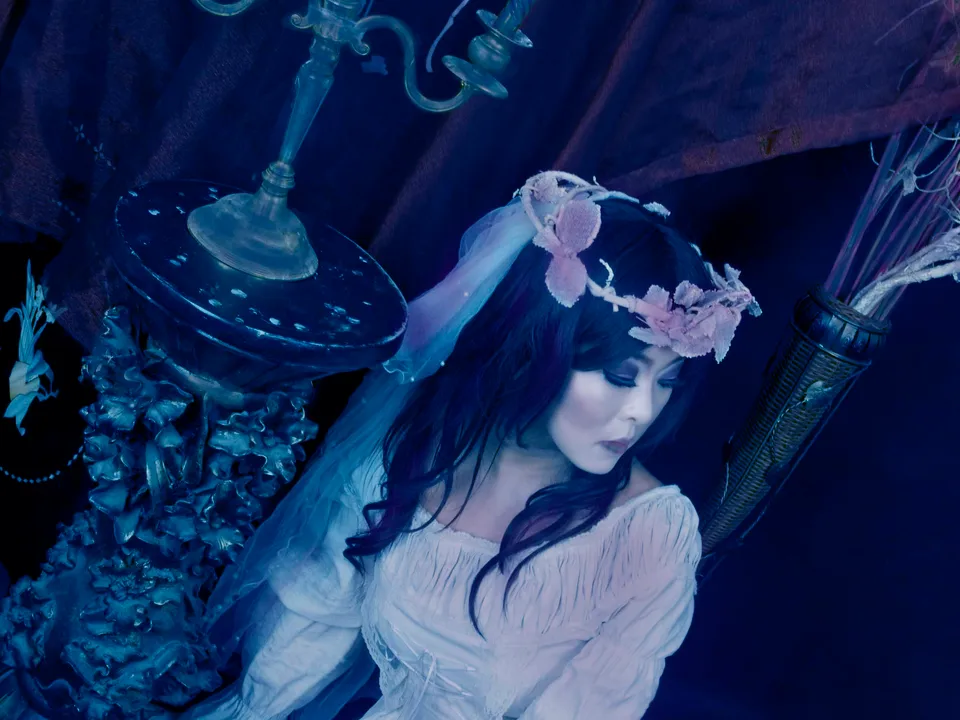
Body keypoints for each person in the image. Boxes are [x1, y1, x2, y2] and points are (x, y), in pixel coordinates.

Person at [186, 171, 760, 720]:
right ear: (537, 345)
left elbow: (596, 705)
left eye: (667, 381)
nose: (642, 410)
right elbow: (315, 613)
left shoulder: (648, 536)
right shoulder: (405, 460)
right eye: (619, 375)